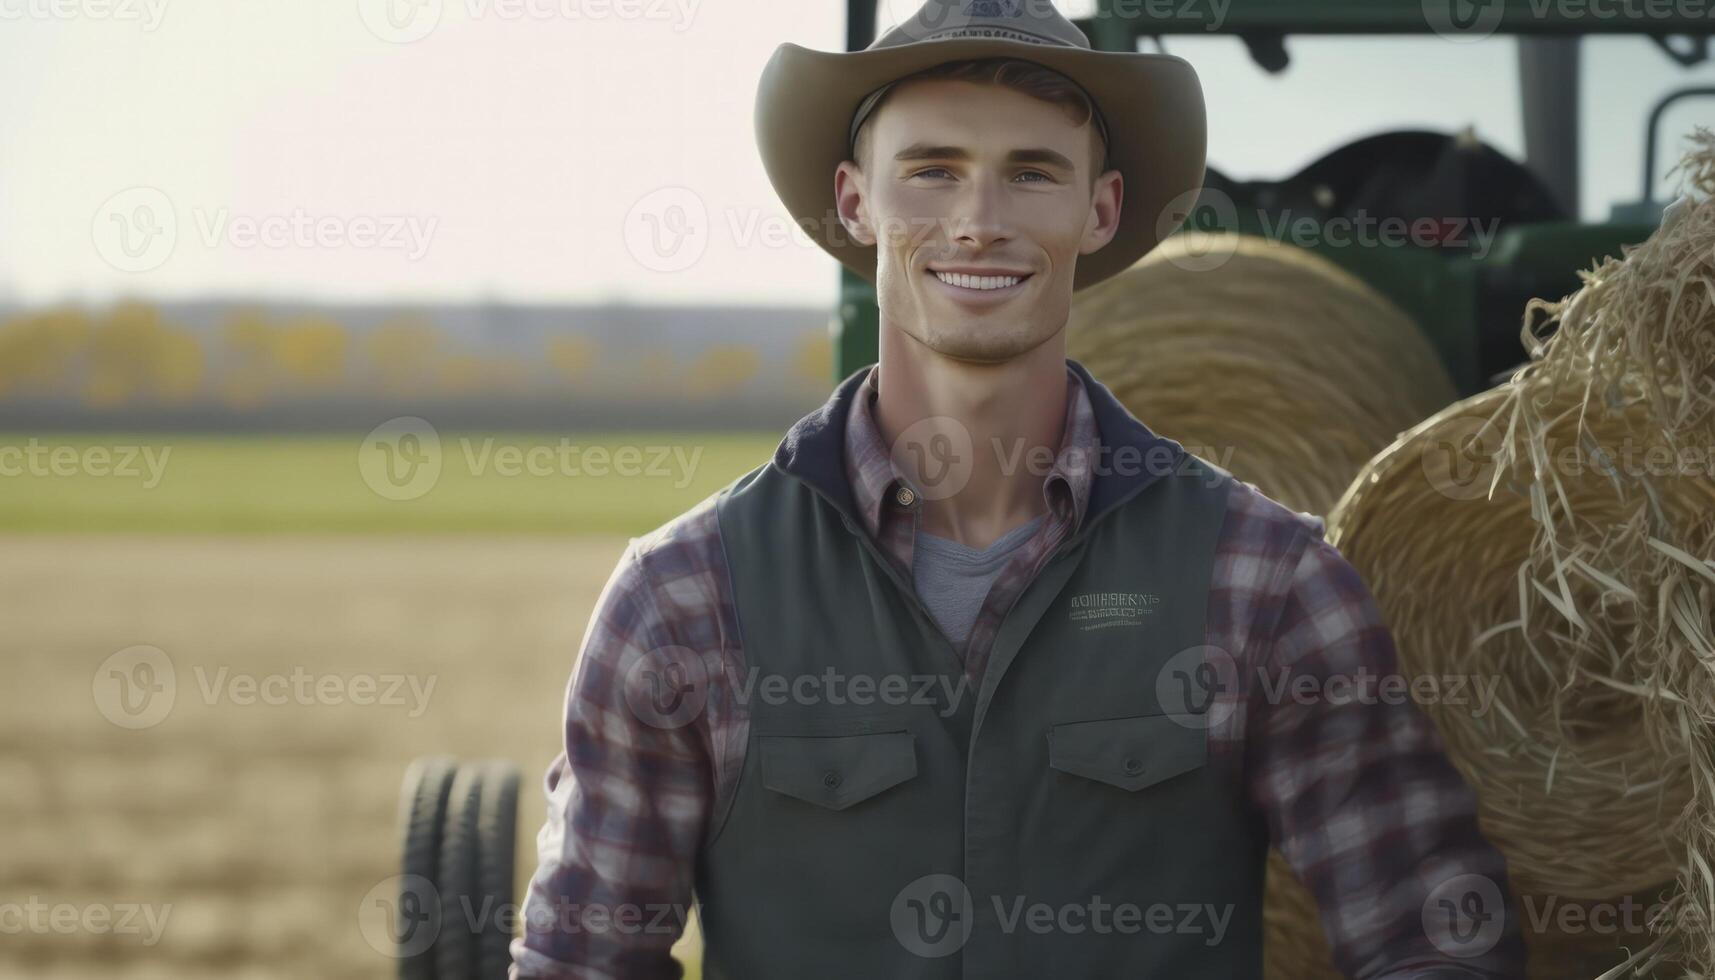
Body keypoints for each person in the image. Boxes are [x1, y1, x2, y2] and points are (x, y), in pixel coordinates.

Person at [511, 2, 1528, 977]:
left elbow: (1435, 937)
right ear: (856, 201)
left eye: (1030, 174)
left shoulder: (1264, 579)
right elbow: (578, 962)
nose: (977, 222)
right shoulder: (685, 598)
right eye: (930, 171)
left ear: (1100, 209)